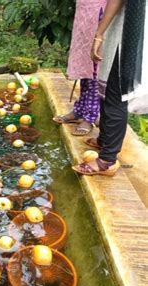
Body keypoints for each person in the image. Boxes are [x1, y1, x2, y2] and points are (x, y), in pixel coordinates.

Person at [73, 0, 147, 176]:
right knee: (106, 89)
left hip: (126, 34)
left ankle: (107, 160)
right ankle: (104, 140)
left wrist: (99, 33)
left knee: (115, 93)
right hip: (126, 29)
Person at [53, 0, 107, 136]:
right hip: (84, 12)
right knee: (84, 65)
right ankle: (80, 110)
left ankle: (90, 116)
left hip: (99, 12)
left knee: (95, 67)